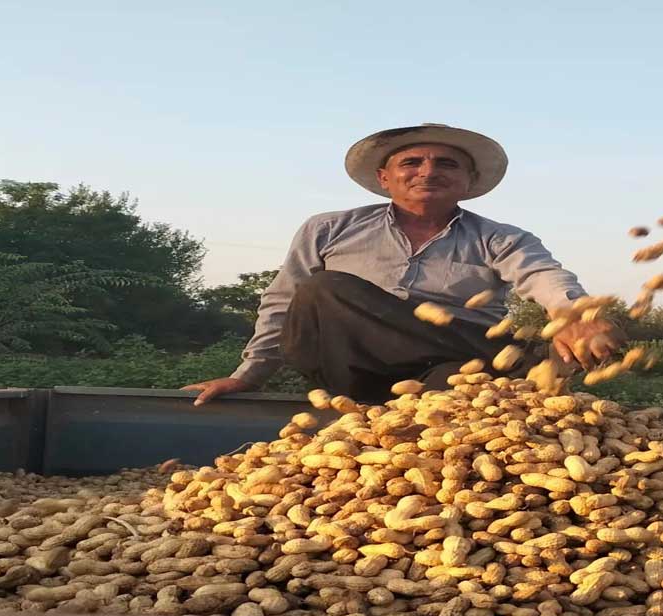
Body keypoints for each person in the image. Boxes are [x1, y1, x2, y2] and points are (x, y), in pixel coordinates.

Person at [183, 123, 622, 405]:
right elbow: (281, 302)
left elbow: (542, 275)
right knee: (325, 290)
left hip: (445, 374)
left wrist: (574, 314)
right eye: (411, 162)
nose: (428, 171)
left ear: (468, 183)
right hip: (348, 366)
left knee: (460, 392)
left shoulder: (501, 238)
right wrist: (249, 375)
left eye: (446, 164)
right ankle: (523, 363)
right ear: (384, 178)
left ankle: (502, 370)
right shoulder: (329, 228)